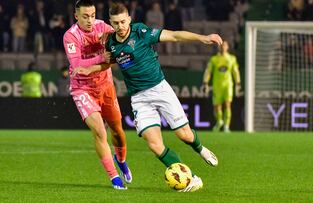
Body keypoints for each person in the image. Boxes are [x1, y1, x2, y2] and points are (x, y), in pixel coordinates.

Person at [73, 3, 220, 192]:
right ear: (111, 23)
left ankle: (200, 149)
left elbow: (174, 35)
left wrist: (203, 38)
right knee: (154, 144)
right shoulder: (110, 42)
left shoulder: (141, 32)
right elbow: (107, 63)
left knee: (184, 135)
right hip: (139, 98)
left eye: (123, 21)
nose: (120, 26)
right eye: (116, 23)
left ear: (129, 19)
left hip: (160, 89)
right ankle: (189, 178)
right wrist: (88, 69)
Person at [63, 0, 131, 190]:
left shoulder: (103, 27)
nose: (90, 20)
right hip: (82, 89)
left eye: (92, 15)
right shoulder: (70, 36)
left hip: (106, 86)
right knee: (100, 131)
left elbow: (119, 42)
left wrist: (111, 37)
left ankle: (122, 160)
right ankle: (114, 178)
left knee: (117, 130)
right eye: (85, 16)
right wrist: (102, 57)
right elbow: (76, 65)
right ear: (76, 16)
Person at [203, 41, 241, 132]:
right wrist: (205, 82)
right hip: (217, 85)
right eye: (221, 45)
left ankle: (226, 126)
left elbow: (235, 71)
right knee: (217, 106)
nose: (223, 47)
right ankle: (219, 121)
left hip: (228, 85)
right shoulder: (214, 59)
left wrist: (238, 83)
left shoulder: (232, 58)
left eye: (224, 45)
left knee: (228, 104)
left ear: (227, 47)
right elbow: (208, 71)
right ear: (219, 47)